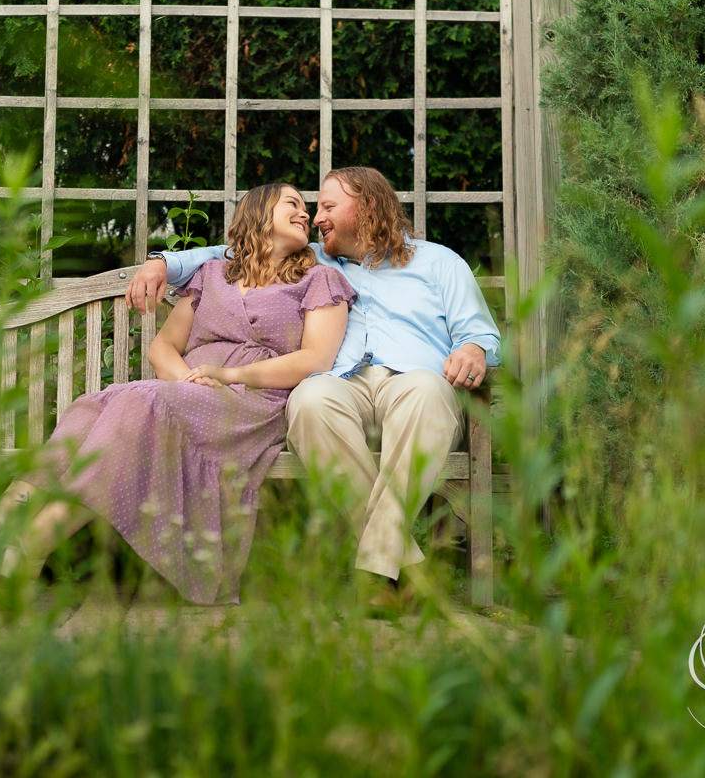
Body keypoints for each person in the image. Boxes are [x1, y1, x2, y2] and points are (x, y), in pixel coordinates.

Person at [0, 183, 356, 605]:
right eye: (293, 204)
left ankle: (31, 543)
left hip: (254, 401)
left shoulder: (320, 279)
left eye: (306, 209)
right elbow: (164, 346)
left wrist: (227, 373)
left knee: (140, 399)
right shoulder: (214, 275)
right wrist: (187, 384)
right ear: (258, 212)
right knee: (93, 405)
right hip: (191, 391)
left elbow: (315, 359)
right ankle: (0, 523)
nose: (305, 214)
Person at [127, 166, 500, 596]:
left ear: (369, 207)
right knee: (309, 399)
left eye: (327, 207)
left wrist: (473, 349)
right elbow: (230, 250)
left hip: (414, 379)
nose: (317, 218)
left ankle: (380, 570)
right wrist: (161, 262)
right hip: (341, 382)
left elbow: (483, 335)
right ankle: (402, 563)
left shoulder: (439, 262)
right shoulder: (316, 260)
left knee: (427, 392)